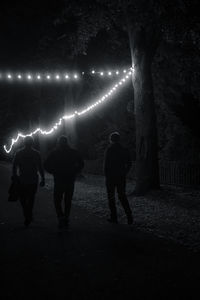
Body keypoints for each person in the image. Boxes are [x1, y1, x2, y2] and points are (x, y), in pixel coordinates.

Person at [44, 135, 84, 228]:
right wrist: (75, 171)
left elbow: (46, 164)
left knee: (57, 200)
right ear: (67, 142)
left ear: (59, 142)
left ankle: (60, 216)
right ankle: (66, 217)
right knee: (68, 200)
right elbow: (81, 163)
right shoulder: (73, 152)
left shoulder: (55, 153)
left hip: (59, 179)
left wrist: (53, 171)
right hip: (70, 178)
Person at [12, 136, 45, 227]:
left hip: (22, 179)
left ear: (24, 143)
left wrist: (14, 176)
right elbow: (40, 167)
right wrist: (43, 178)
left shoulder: (19, 153)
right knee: (31, 198)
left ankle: (26, 214)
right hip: (33, 179)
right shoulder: (36, 154)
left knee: (22, 199)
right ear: (32, 143)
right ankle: (29, 213)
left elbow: (14, 166)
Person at [104, 132, 133, 224]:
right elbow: (129, 163)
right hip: (121, 175)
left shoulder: (110, 149)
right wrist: (125, 172)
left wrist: (106, 175)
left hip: (111, 176)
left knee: (111, 196)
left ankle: (114, 217)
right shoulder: (124, 149)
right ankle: (129, 215)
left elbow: (106, 164)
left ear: (111, 139)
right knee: (122, 195)